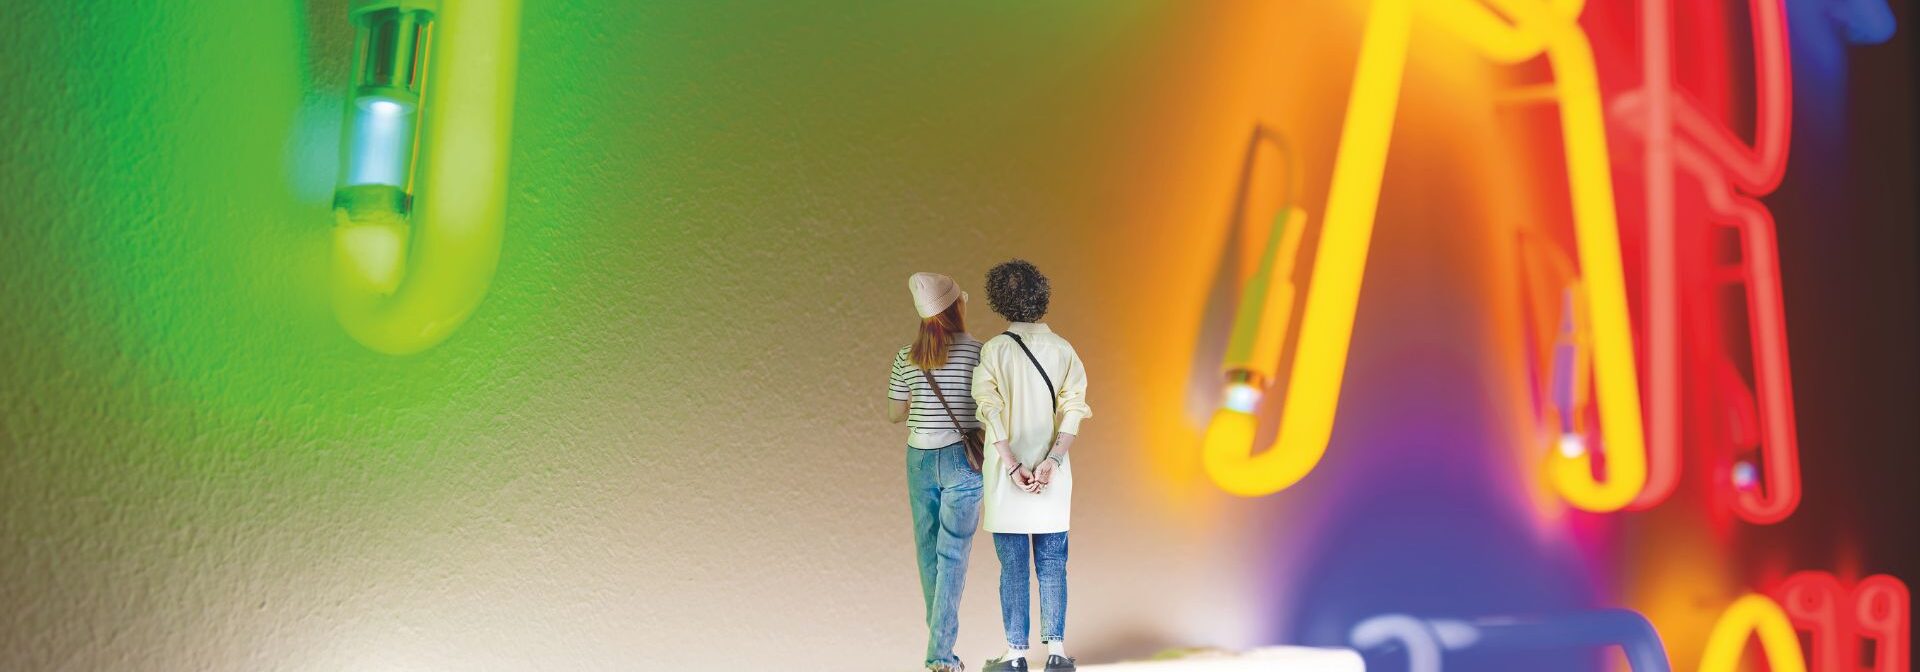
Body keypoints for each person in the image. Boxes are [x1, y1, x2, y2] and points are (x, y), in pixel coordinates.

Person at [971, 260, 1092, 672]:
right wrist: (1052, 461)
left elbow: (989, 410)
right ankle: (1057, 653)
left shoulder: (994, 350)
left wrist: (1010, 464)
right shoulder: (1063, 349)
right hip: (1053, 476)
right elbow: (1074, 408)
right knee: (1054, 563)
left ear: (999, 300)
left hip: (1008, 477)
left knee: (1013, 567)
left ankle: (1016, 655)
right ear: (1042, 294)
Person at [888, 272, 986, 672]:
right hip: (963, 461)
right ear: (956, 307)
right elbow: (987, 408)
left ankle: (940, 654)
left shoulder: (905, 356)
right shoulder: (980, 352)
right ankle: (940, 657)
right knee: (954, 556)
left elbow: (894, 414)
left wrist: (923, 405)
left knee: (928, 552)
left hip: (919, 459)